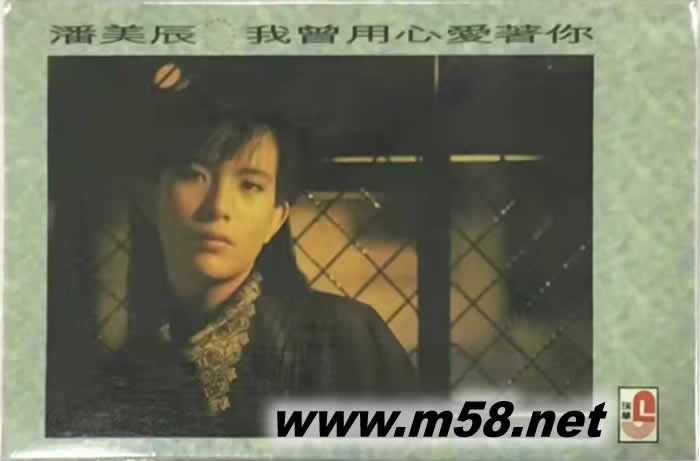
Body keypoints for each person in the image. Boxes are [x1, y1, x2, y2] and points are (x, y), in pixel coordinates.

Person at [49, 78, 418, 437]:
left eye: (250, 185)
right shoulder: (127, 375)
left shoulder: (344, 340)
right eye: (194, 175)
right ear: (151, 199)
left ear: (276, 219)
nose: (218, 207)